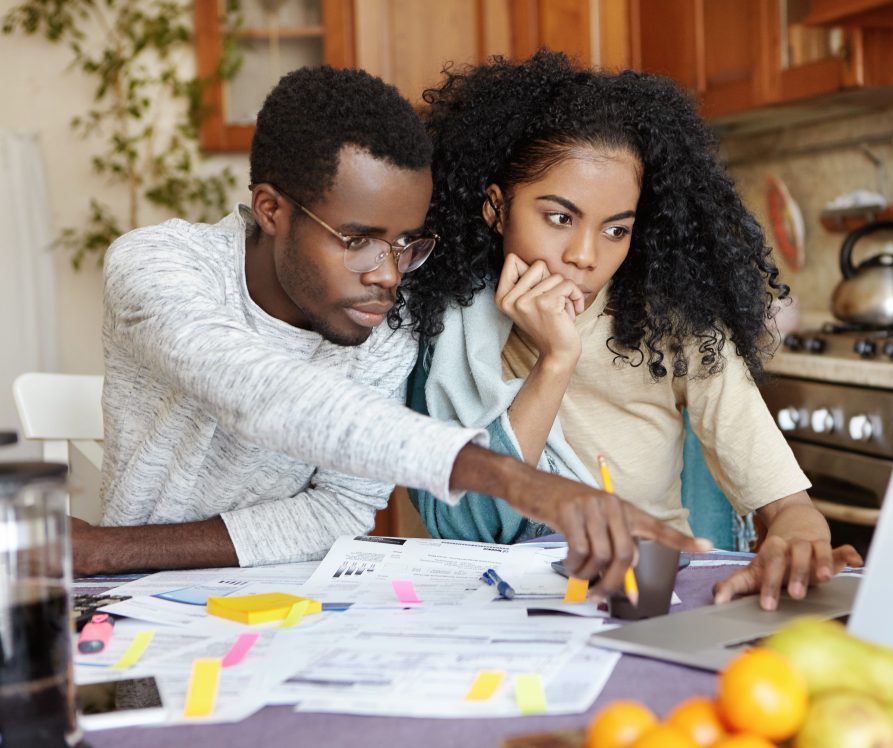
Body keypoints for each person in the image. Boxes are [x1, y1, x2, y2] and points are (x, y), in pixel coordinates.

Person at [74, 65, 707, 597]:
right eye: (358, 241)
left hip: (301, 603)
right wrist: (517, 479)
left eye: (406, 244)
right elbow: (262, 395)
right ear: (272, 209)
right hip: (136, 593)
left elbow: (341, 510)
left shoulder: (386, 324)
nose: (388, 275)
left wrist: (102, 548)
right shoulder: (158, 267)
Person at [404, 52, 862, 610]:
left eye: (616, 229)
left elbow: (788, 506)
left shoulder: (674, 323)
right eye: (559, 218)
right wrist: (556, 361)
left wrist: (798, 534)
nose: (585, 256)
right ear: (497, 208)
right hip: (508, 602)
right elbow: (467, 526)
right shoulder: (443, 324)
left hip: (654, 592)